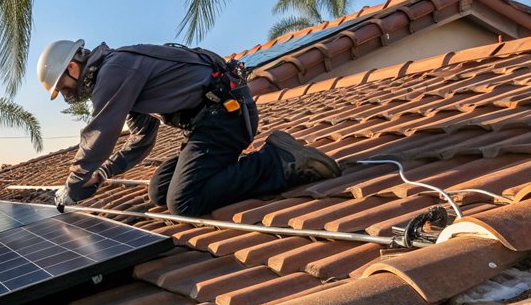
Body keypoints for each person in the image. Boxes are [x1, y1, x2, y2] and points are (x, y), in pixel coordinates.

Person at [37, 39, 342, 217]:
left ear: (73, 68)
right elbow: (142, 139)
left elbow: (100, 132)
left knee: (184, 201)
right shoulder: (118, 71)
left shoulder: (113, 72)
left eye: (63, 87)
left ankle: (277, 161)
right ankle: (234, 167)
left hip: (225, 118)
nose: (66, 95)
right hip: (207, 125)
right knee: (160, 191)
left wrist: (74, 186)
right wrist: (103, 172)